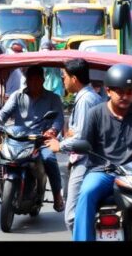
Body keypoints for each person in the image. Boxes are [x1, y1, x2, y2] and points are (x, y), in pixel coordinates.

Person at [71, 64, 132, 241]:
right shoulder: (95, 114)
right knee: (86, 194)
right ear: (108, 91)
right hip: (103, 172)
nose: (125, 96)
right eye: (120, 91)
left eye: (130, 92)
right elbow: (87, 147)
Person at [45, 58, 103, 232]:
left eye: (64, 77)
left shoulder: (86, 99)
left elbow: (83, 138)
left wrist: (59, 145)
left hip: (86, 160)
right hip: (83, 158)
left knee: (72, 217)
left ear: (74, 79)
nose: (63, 80)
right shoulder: (85, 97)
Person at [0, 65, 66, 212]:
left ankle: (57, 195)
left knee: (49, 159)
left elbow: (59, 119)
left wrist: (52, 130)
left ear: (43, 80)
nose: (34, 82)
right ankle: (2, 184)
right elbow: (4, 112)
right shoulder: (18, 96)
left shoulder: (53, 98)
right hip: (19, 139)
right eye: (31, 79)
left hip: (41, 140)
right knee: (0, 158)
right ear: (26, 80)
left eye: (37, 79)